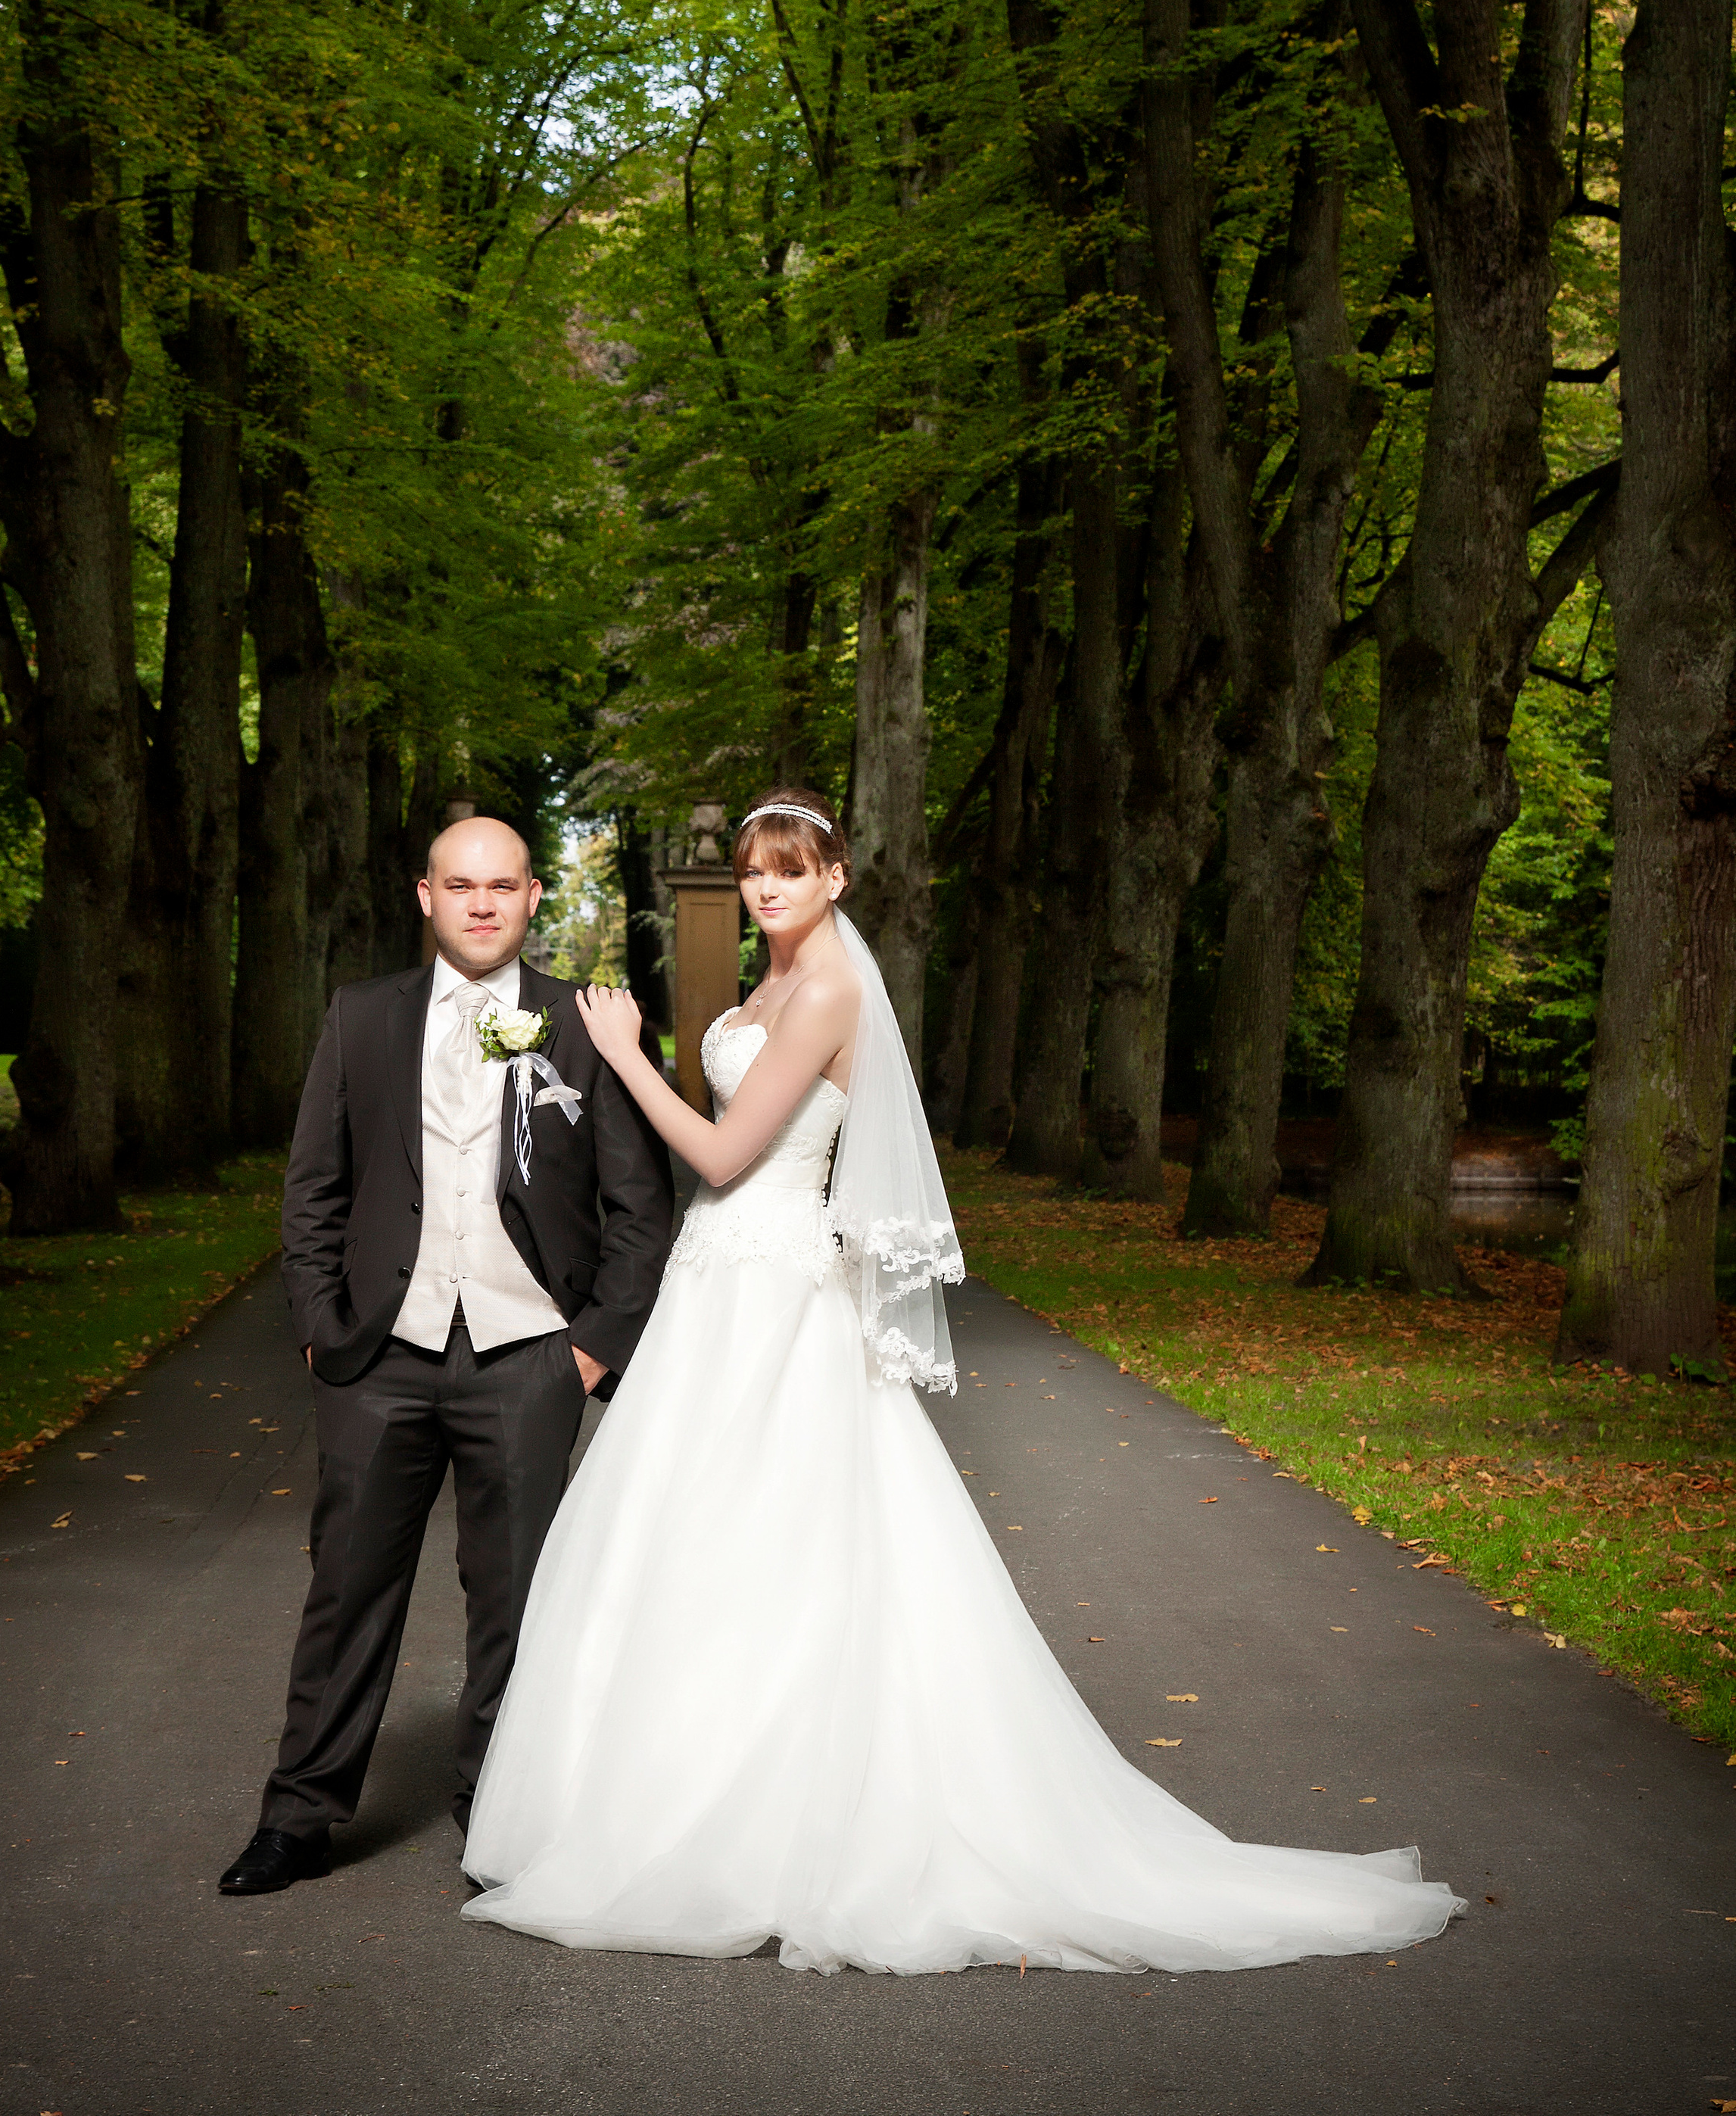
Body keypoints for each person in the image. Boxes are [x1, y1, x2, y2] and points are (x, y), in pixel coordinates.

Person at [460, 790, 1465, 1974]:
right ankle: (661, 1803)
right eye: (752, 873)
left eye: (792, 870)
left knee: (775, 1537)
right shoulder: (776, 985)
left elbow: (730, 1156)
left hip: (774, 1287)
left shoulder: (828, 987)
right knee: (693, 1535)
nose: (769, 888)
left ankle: (776, 1830)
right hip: (720, 1282)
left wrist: (627, 1056)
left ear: (836, 879)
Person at [219, 815, 675, 1899]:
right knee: (347, 1585)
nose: (481, 903)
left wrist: (593, 1351)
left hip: (530, 1356)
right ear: (425, 895)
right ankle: (301, 1815)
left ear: (530, 899)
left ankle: (496, 1817)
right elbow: (314, 1190)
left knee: (516, 1599)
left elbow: (639, 1209)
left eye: (503, 885)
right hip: (379, 1352)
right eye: (460, 884)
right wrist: (324, 1330)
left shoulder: (586, 1024)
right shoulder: (362, 1017)